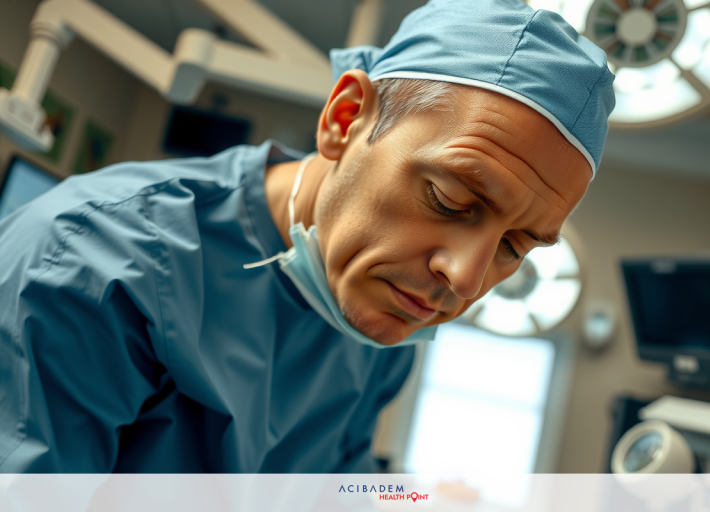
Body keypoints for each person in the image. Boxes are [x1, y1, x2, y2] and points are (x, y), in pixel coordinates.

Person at [0, 0, 614, 472]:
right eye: (449, 200)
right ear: (345, 119)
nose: (467, 280)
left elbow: (340, 480)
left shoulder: (383, 311)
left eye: (515, 247)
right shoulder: (87, 265)